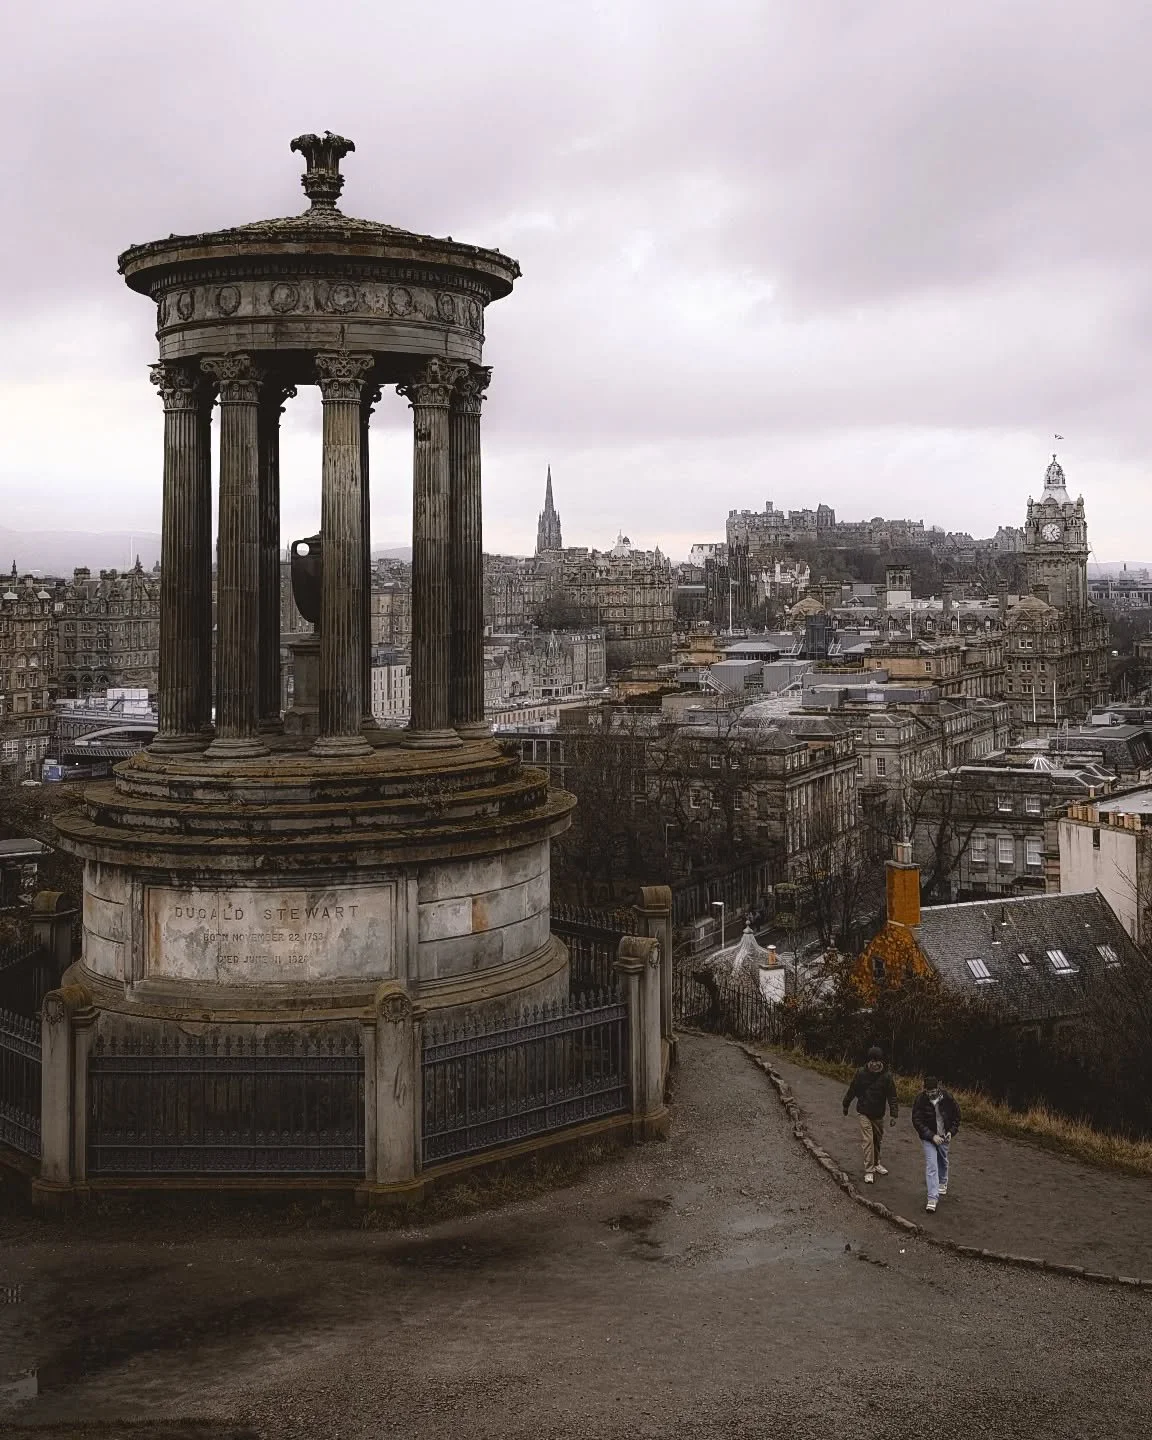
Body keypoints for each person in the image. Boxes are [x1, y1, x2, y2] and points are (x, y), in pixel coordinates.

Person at [842, 1045, 898, 1183]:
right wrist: (846, 1104)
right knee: (868, 1141)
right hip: (864, 1112)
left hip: (878, 1114)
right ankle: (869, 1170)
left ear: (881, 1061)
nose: (874, 1064)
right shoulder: (861, 1073)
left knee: (877, 1140)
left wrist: (894, 1114)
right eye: (872, 1061)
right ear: (868, 1061)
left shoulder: (887, 1076)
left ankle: (876, 1163)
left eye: (876, 1061)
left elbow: (892, 1096)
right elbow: (852, 1090)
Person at [912, 1074, 961, 1213]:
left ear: (938, 1089)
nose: (931, 1094)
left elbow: (957, 1116)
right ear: (925, 1090)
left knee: (943, 1160)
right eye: (928, 1092)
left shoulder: (948, 1098)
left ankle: (943, 1181)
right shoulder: (920, 1100)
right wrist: (931, 1136)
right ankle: (932, 1198)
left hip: (944, 1136)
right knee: (932, 1166)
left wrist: (951, 1132)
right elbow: (917, 1121)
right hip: (928, 1138)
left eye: (933, 1091)